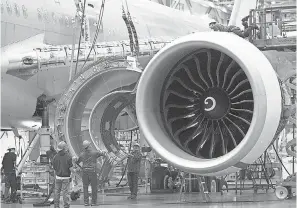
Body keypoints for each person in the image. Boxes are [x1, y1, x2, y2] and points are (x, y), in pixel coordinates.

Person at [75, 140, 108, 206]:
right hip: (92, 172)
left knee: (85, 187)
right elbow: (104, 154)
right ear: (89, 146)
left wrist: (82, 168)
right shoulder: (94, 153)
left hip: (85, 172)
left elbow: (77, 162)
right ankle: (93, 202)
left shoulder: (82, 154)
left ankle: (86, 202)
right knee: (94, 187)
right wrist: (104, 151)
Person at [52, 141, 75, 208]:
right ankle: (66, 206)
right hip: (66, 178)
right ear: (64, 148)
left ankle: (56, 206)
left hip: (58, 177)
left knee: (57, 192)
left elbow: (54, 168)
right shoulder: (68, 156)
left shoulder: (55, 157)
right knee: (65, 193)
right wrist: (74, 171)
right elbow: (71, 168)